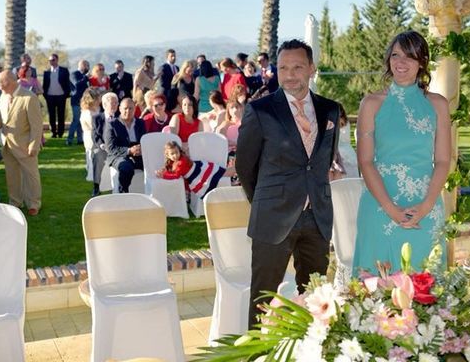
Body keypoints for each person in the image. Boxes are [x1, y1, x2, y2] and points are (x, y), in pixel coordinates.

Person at [235, 39, 341, 328]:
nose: (290, 74)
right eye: (283, 67)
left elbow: (323, 160)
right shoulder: (261, 111)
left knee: (316, 301)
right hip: (273, 218)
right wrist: (267, 201)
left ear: (311, 69)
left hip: (317, 218)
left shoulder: (330, 110)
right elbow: (245, 167)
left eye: (297, 67)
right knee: (263, 303)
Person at [352, 31, 451, 277]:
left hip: (425, 207)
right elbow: (365, 162)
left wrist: (427, 205)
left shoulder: (438, 104)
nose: (401, 62)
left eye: (409, 56)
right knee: (375, 297)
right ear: (388, 60)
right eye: (395, 55)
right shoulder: (371, 104)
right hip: (379, 205)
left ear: (422, 62)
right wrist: (391, 209)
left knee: (426, 289)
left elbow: (442, 161)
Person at [0, 70, 43, 215]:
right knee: (12, 175)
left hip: (25, 145)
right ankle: (15, 202)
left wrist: (34, 145)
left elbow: (36, 125)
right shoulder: (3, 97)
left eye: (0, 82)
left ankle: (33, 204)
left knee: (31, 175)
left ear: (10, 81)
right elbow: (1, 116)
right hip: (7, 144)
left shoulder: (29, 98)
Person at [156, 140, 233, 199]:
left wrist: (163, 175)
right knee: (222, 174)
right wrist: (163, 172)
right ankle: (238, 169)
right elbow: (171, 171)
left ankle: (238, 168)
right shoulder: (173, 162)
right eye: (172, 154)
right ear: (168, 155)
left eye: (176, 152)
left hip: (200, 171)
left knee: (223, 173)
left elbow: (176, 175)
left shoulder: (181, 161)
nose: (175, 155)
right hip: (196, 173)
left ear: (179, 151)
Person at [103, 97, 145, 193]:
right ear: (120, 109)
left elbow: (144, 140)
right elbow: (111, 148)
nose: (128, 111)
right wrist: (129, 151)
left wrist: (142, 149)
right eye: (125, 108)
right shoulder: (112, 124)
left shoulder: (140, 123)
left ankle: (152, 194)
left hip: (138, 153)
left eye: (131, 108)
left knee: (153, 166)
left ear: (135, 109)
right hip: (119, 155)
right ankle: (123, 194)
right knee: (126, 168)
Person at [90, 91, 118, 197]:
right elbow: (95, 136)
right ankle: (96, 186)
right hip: (102, 147)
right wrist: (102, 145)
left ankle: (118, 187)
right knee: (98, 156)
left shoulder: (120, 117)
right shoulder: (97, 118)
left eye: (116, 103)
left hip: (116, 148)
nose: (115, 105)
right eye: (113, 103)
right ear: (105, 105)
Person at [43, 53, 72, 140]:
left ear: (57, 60)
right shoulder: (47, 72)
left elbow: (67, 83)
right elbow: (45, 85)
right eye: (50, 60)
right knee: (51, 115)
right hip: (50, 96)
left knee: (61, 115)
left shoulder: (64, 70)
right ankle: (53, 132)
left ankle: (60, 132)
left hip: (61, 96)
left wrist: (66, 94)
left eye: (53, 60)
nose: (51, 62)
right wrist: (46, 95)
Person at [69, 59, 90, 146]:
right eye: (86, 65)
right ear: (81, 65)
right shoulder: (74, 74)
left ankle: (80, 139)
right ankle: (69, 139)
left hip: (84, 102)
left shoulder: (84, 76)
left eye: (88, 66)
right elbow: (77, 85)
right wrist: (85, 78)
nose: (87, 67)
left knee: (81, 121)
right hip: (76, 101)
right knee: (76, 120)